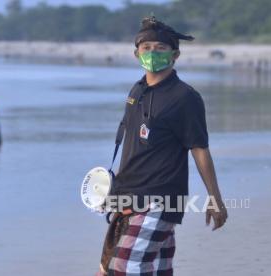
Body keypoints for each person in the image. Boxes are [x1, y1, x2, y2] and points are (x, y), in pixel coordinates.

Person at [97, 16, 228, 276]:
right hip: (127, 196)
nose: (152, 53)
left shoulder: (185, 97)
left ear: (175, 54)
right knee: (139, 270)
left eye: (160, 48)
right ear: (137, 54)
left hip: (160, 199)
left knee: (123, 270)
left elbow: (199, 148)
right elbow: (131, 146)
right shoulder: (136, 91)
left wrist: (215, 198)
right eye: (146, 48)